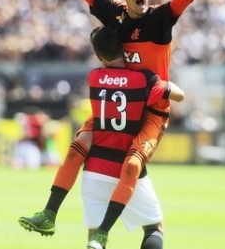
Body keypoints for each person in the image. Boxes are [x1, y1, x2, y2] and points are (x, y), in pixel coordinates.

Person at [19, 0, 216, 242]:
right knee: (76, 147)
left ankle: (102, 235)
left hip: (152, 108)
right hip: (116, 101)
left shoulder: (160, 18)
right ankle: (49, 213)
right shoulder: (116, 16)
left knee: (131, 167)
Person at [22, 26, 184, 248]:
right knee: (154, 228)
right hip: (126, 167)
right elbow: (178, 96)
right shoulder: (143, 79)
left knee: (94, 240)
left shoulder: (95, 77)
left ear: (99, 56)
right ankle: (103, 233)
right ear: (124, 49)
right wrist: (161, 84)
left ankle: (51, 212)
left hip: (94, 170)